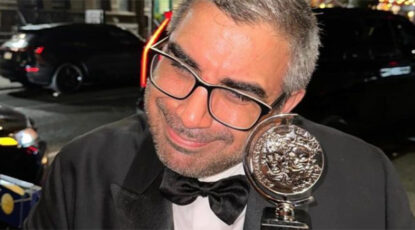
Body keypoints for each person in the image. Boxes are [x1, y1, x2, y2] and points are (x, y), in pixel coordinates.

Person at [24, 0, 415, 229]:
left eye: (237, 95)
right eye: (180, 67)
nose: (189, 117)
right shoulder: (80, 170)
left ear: (287, 104)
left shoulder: (368, 185)